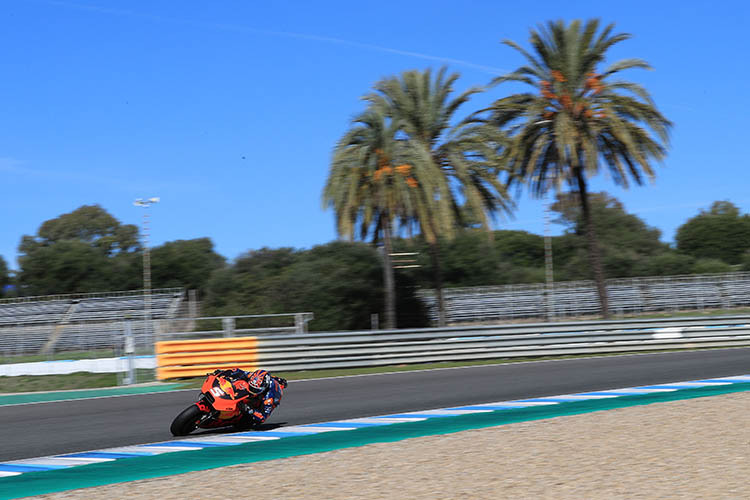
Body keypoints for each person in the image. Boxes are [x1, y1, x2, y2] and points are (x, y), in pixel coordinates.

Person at [212, 368, 287, 426]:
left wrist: (249, 410)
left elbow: (263, 417)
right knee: (239, 382)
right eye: (252, 387)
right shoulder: (252, 376)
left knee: (246, 422)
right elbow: (237, 371)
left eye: (255, 389)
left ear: (264, 388)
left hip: (269, 398)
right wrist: (222, 373)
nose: (252, 390)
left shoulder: (269, 398)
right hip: (267, 381)